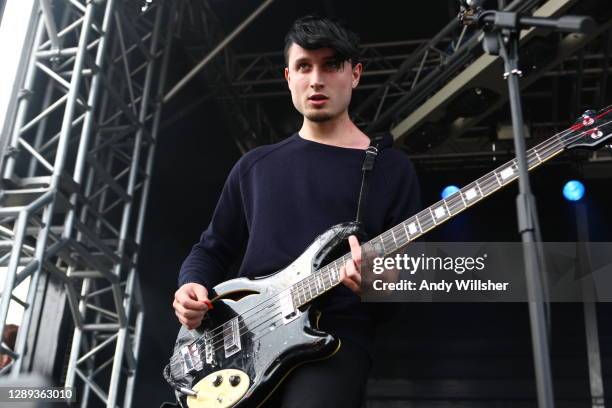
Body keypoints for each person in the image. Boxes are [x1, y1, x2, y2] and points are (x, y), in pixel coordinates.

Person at [173, 15, 421, 407]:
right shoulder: (255, 166)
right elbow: (211, 249)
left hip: (335, 342)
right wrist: (191, 286)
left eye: (331, 65)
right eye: (304, 66)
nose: (316, 79)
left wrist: (383, 283)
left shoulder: (391, 168)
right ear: (288, 76)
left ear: (355, 74)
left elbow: (408, 279)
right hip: (243, 345)